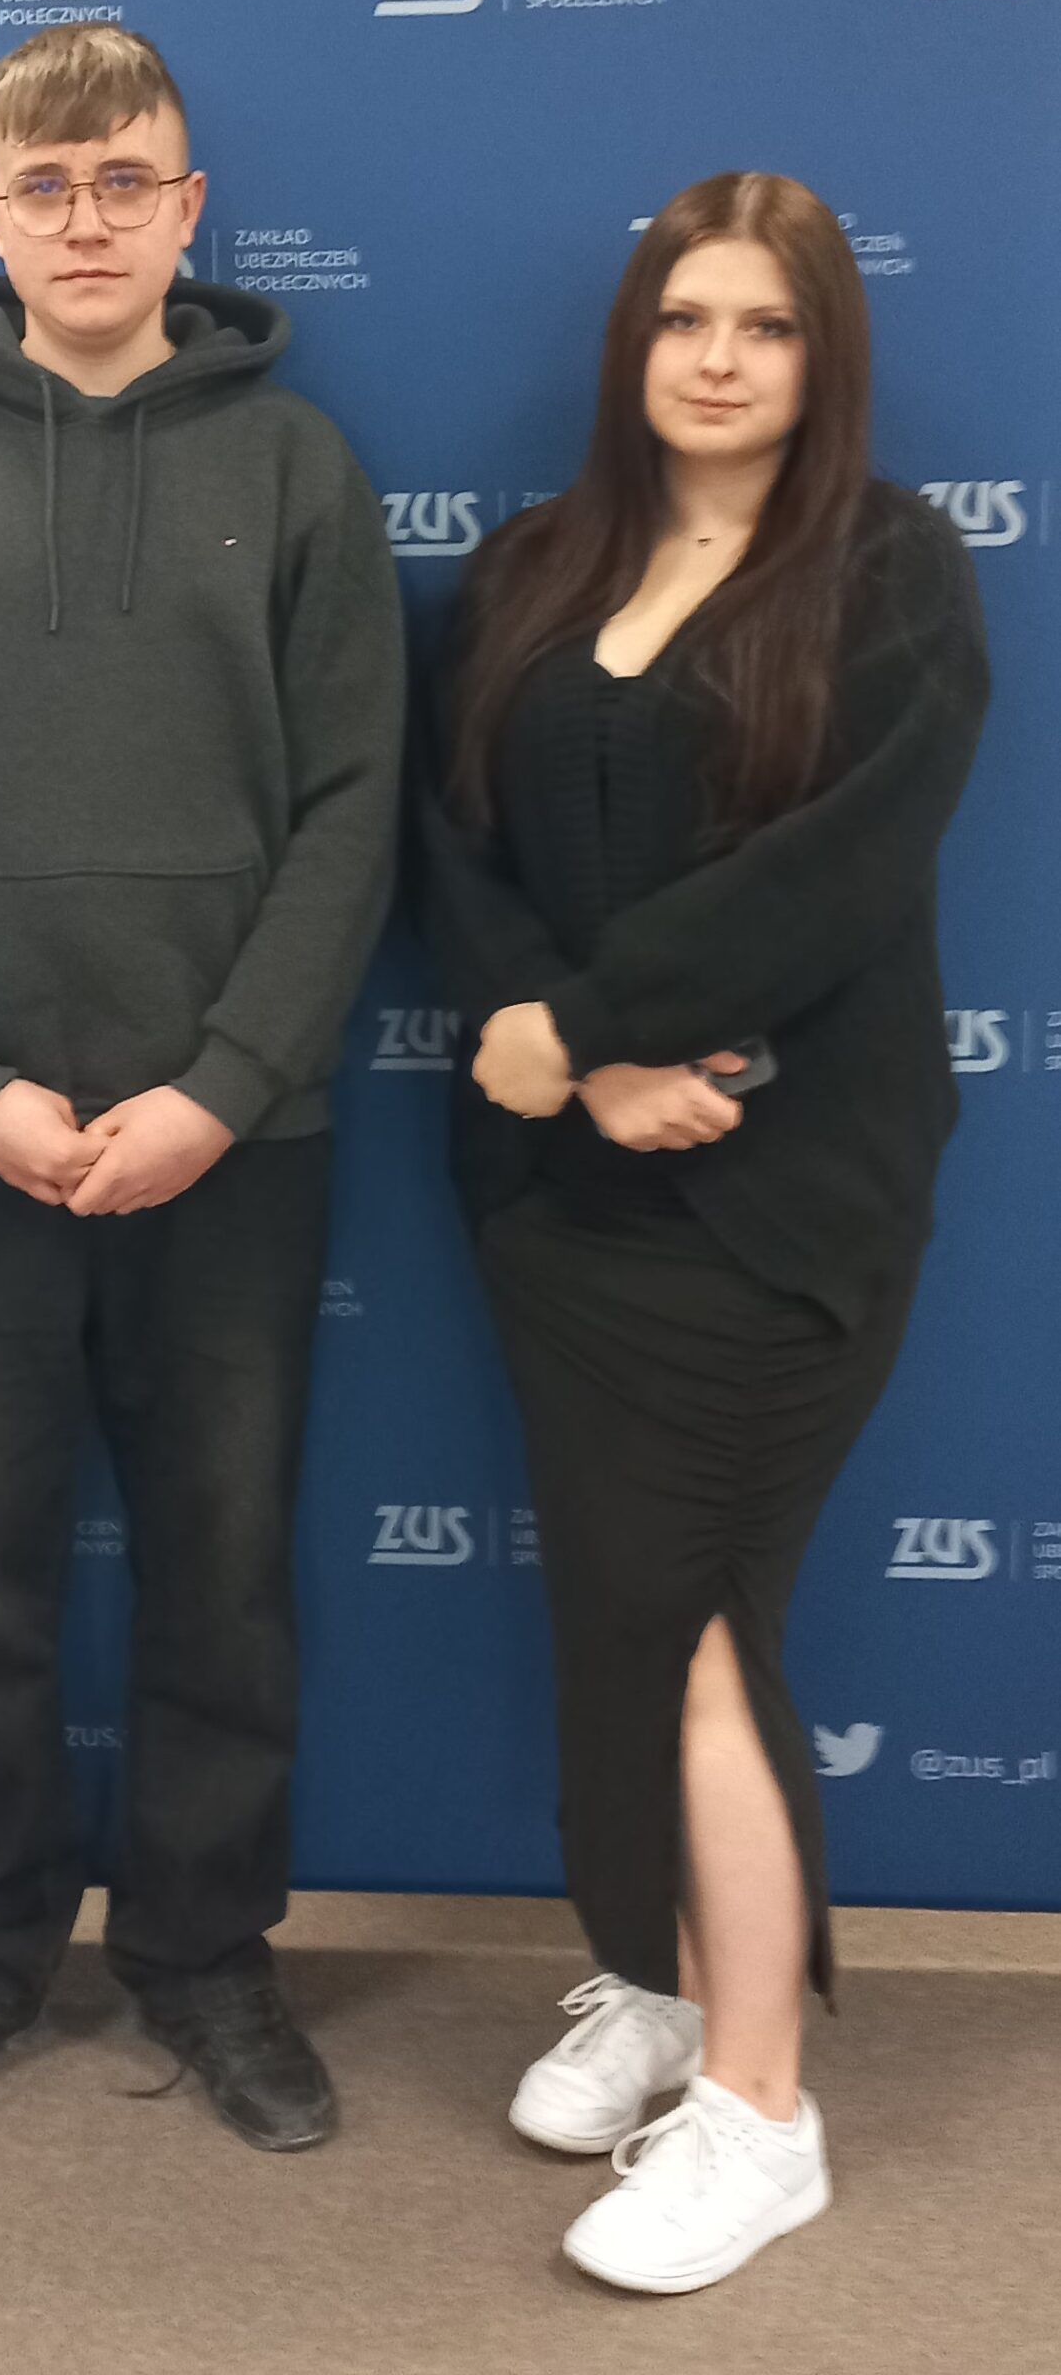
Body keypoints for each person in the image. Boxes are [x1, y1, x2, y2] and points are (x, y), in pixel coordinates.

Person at [0, 25, 404, 2156]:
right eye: (46, 187)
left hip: (237, 1143)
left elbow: (351, 811)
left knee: (223, 1574)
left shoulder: (297, 464)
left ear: (187, 206)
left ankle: (208, 1959)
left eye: (126, 180)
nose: (88, 221)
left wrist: (222, 1084)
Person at [420, 172, 988, 2291]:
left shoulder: (891, 569)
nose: (721, 359)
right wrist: (557, 1054)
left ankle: (762, 2108)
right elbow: (451, 845)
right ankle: (661, 1987)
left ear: (822, 355)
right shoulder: (531, 567)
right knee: (621, 1614)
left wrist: (588, 1026)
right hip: (564, 1192)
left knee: (691, 1626)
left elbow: (841, 867)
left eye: (766, 325)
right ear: (634, 344)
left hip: (779, 1199)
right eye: (686, 320)